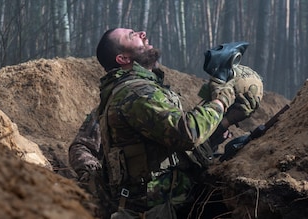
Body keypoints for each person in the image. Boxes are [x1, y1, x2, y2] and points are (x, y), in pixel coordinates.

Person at [69, 28, 263, 219]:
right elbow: (188, 134)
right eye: (132, 35)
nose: (142, 33)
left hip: (173, 197)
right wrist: (223, 97)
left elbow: (174, 152)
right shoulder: (135, 94)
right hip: (162, 206)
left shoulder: (146, 91)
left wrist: (226, 120)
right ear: (123, 59)